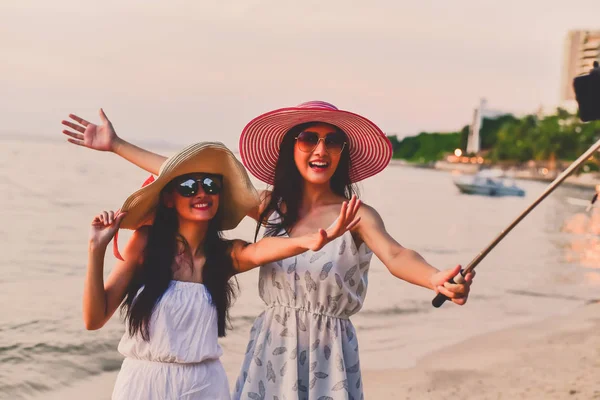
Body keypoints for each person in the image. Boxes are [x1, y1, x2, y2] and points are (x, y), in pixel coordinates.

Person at [63, 102, 474, 399]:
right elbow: (190, 176)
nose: (320, 149)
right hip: (271, 343)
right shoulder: (269, 206)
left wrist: (436, 278)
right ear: (290, 148)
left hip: (327, 350)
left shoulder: (357, 214)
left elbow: (398, 256)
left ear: (343, 152)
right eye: (308, 138)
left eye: (333, 142)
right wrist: (117, 145)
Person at [84, 142, 360, 399]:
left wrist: (310, 241)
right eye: (189, 186)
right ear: (169, 198)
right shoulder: (145, 243)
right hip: (143, 382)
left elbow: (263, 249)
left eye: (211, 185)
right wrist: (96, 250)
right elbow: (94, 319)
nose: (202, 193)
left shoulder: (225, 255)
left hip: (204, 385)